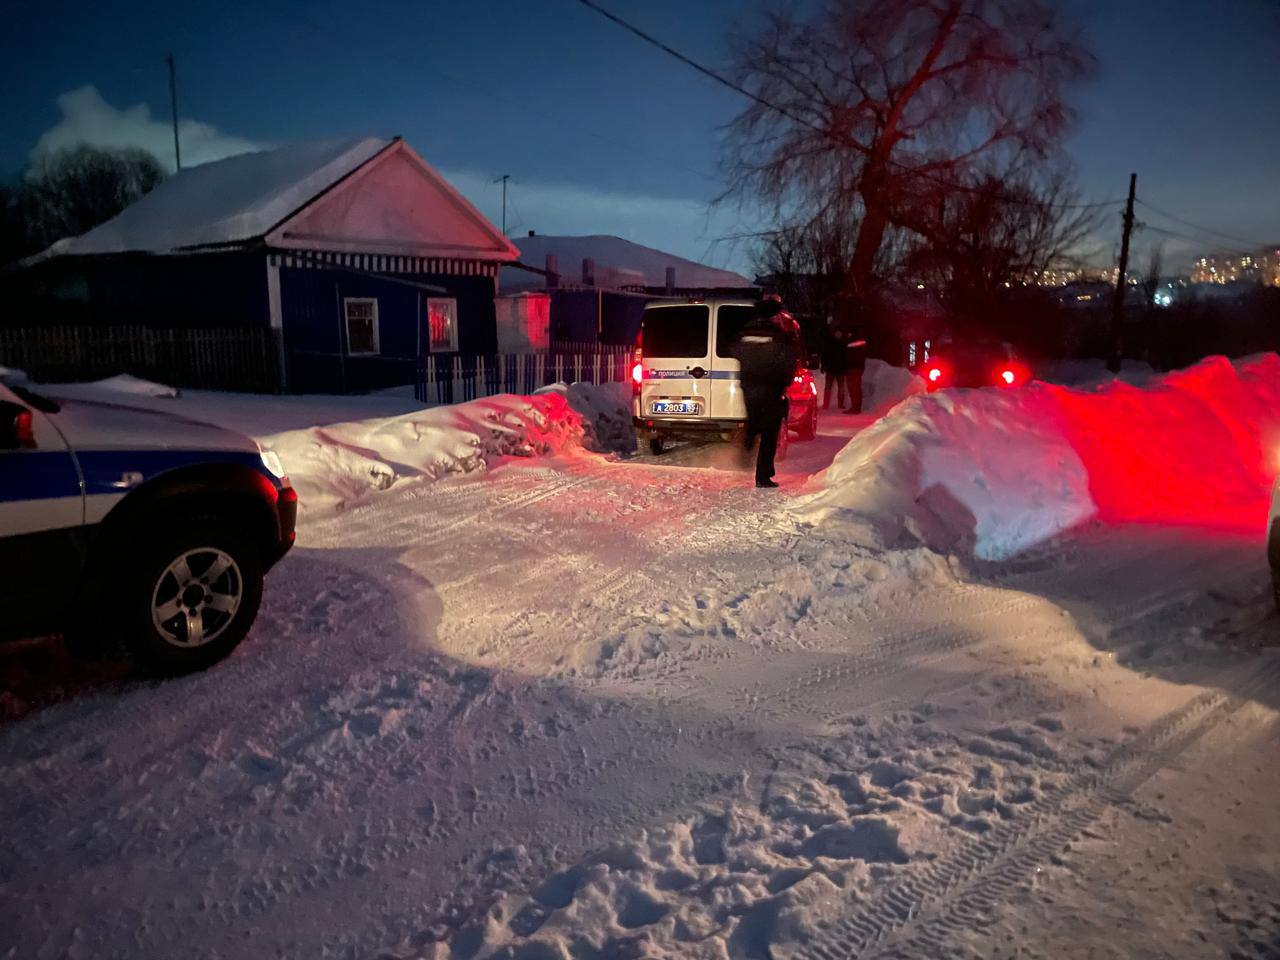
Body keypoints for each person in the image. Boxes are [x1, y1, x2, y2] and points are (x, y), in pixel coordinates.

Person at [735, 299, 797, 488]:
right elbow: (787, 362)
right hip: (771, 388)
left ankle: (747, 442)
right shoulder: (778, 335)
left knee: (753, 420)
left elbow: (734, 351)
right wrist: (784, 383)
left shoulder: (744, 332)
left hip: (749, 386)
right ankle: (763, 475)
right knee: (770, 433)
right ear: (774, 315)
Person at [820, 318, 850, 410]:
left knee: (838, 387)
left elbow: (845, 357)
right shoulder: (834, 343)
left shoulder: (840, 343)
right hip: (832, 368)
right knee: (830, 387)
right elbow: (825, 355)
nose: (838, 335)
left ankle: (838, 404)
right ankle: (827, 404)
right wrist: (824, 365)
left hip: (837, 368)